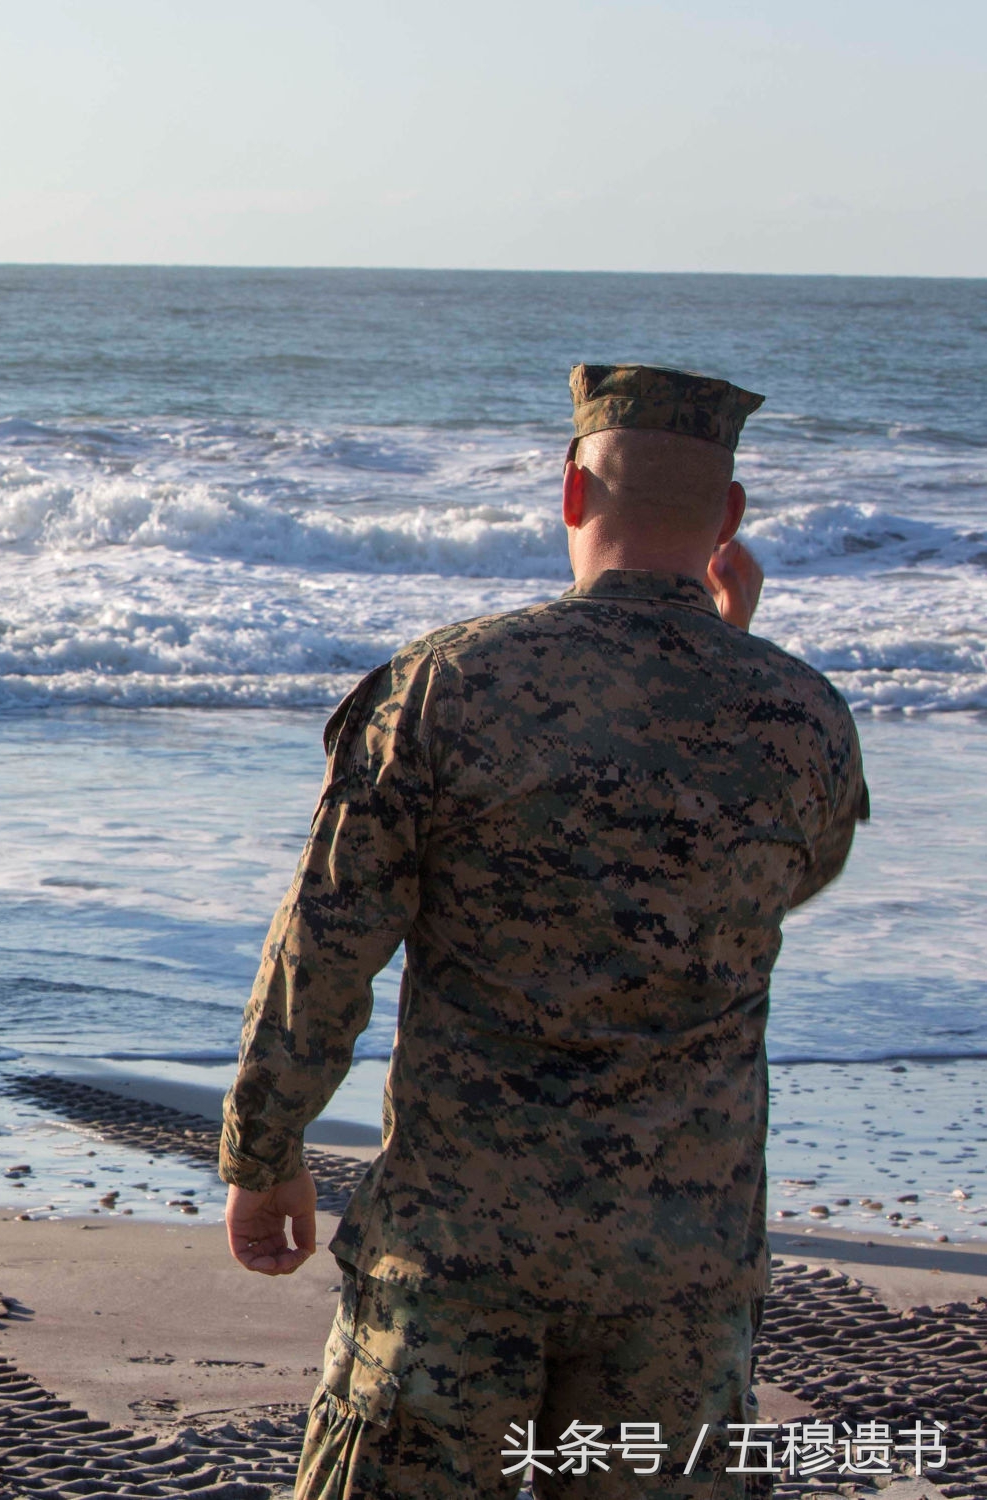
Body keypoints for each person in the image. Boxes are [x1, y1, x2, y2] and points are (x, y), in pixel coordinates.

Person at [218, 365, 869, 1498]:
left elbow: (324, 941)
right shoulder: (801, 716)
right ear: (727, 517)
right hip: (680, 1261)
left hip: (457, 1247)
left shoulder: (442, 688)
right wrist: (731, 660)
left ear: (570, 494)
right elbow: (774, 885)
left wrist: (262, 1150)